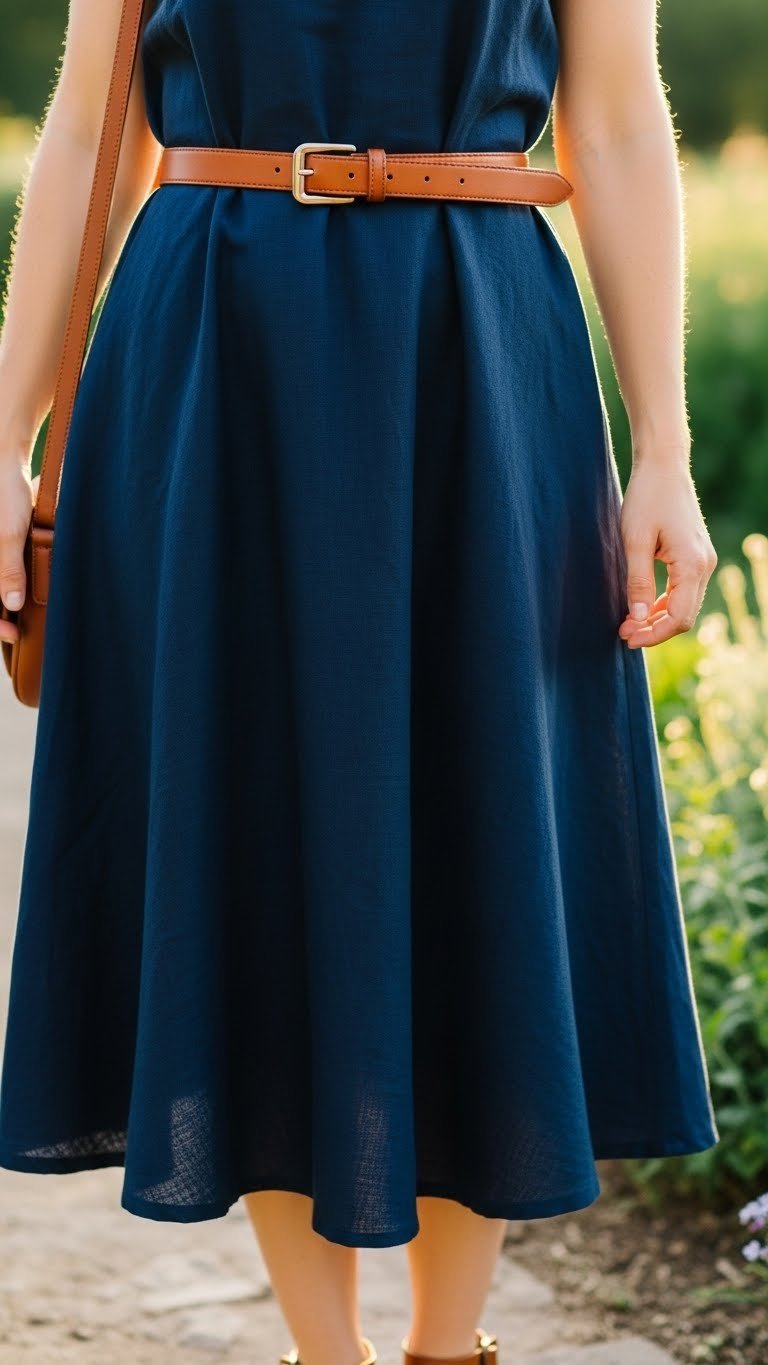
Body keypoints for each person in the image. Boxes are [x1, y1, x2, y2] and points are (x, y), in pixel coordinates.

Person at [0, 1, 719, 1363]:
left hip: (479, 355)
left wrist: (665, 448)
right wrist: (3, 432)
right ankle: (322, 1355)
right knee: (254, 822)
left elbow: (618, 116)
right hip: (215, 350)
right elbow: (94, 123)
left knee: (479, 817)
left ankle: (453, 1348)